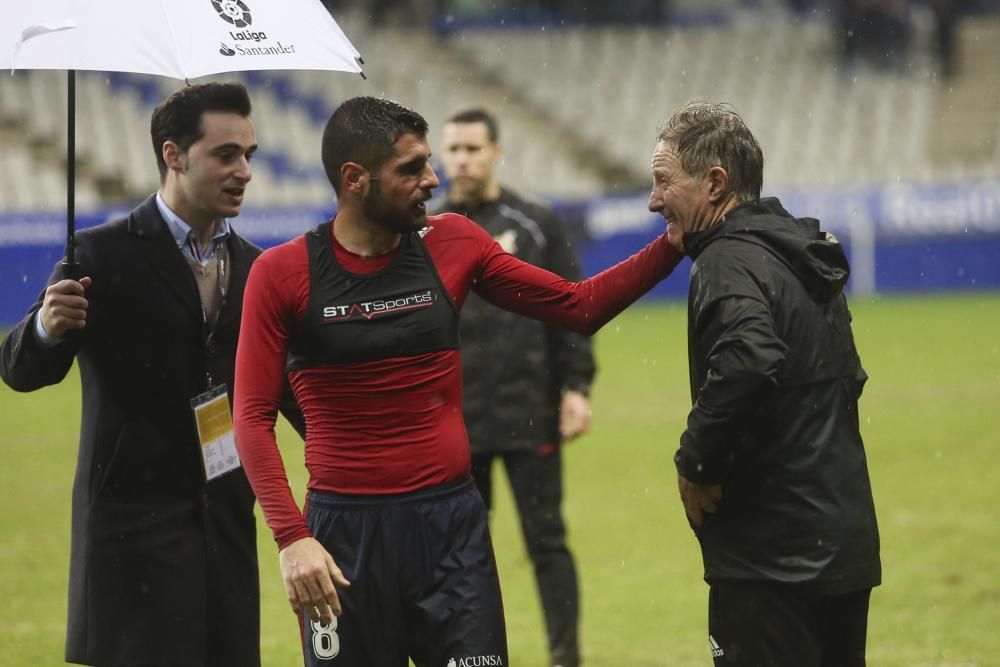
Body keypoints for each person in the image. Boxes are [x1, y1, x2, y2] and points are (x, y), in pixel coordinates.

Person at [232, 96, 682, 667]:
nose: (433, 178)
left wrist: (672, 246)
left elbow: (578, 305)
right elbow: (250, 416)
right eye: (411, 168)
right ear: (354, 179)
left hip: (451, 531)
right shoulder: (282, 274)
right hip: (343, 540)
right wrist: (292, 538)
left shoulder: (454, 243)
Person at [0, 82, 303, 667]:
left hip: (227, 529)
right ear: (173, 154)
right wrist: (46, 327)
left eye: (250, 155)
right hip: (130, 539)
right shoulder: (98, 255)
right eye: (226, 154)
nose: (244, 170)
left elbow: (291, 389)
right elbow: (19, 370)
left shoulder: (260, 267)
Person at [646, 100, 881, 666]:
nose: (653, 201)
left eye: (662, 182)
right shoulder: (800, 255)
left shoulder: (727, 260)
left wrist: (695, 463)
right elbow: (846, 379)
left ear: (715, 183)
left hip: (771, 559)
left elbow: (749, 359)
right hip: (840, 541)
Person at [433, 108, 592, 667]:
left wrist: (576, 387)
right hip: (455, 421)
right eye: (452, 149)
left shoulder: (535, 223)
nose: (461, 160)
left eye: (473, 148)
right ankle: (471, 656)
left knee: (546, 542)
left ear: (497, 151)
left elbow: (569, 309)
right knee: (463, 553)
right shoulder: (425, 229)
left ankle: (565, 654)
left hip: (529, 410)